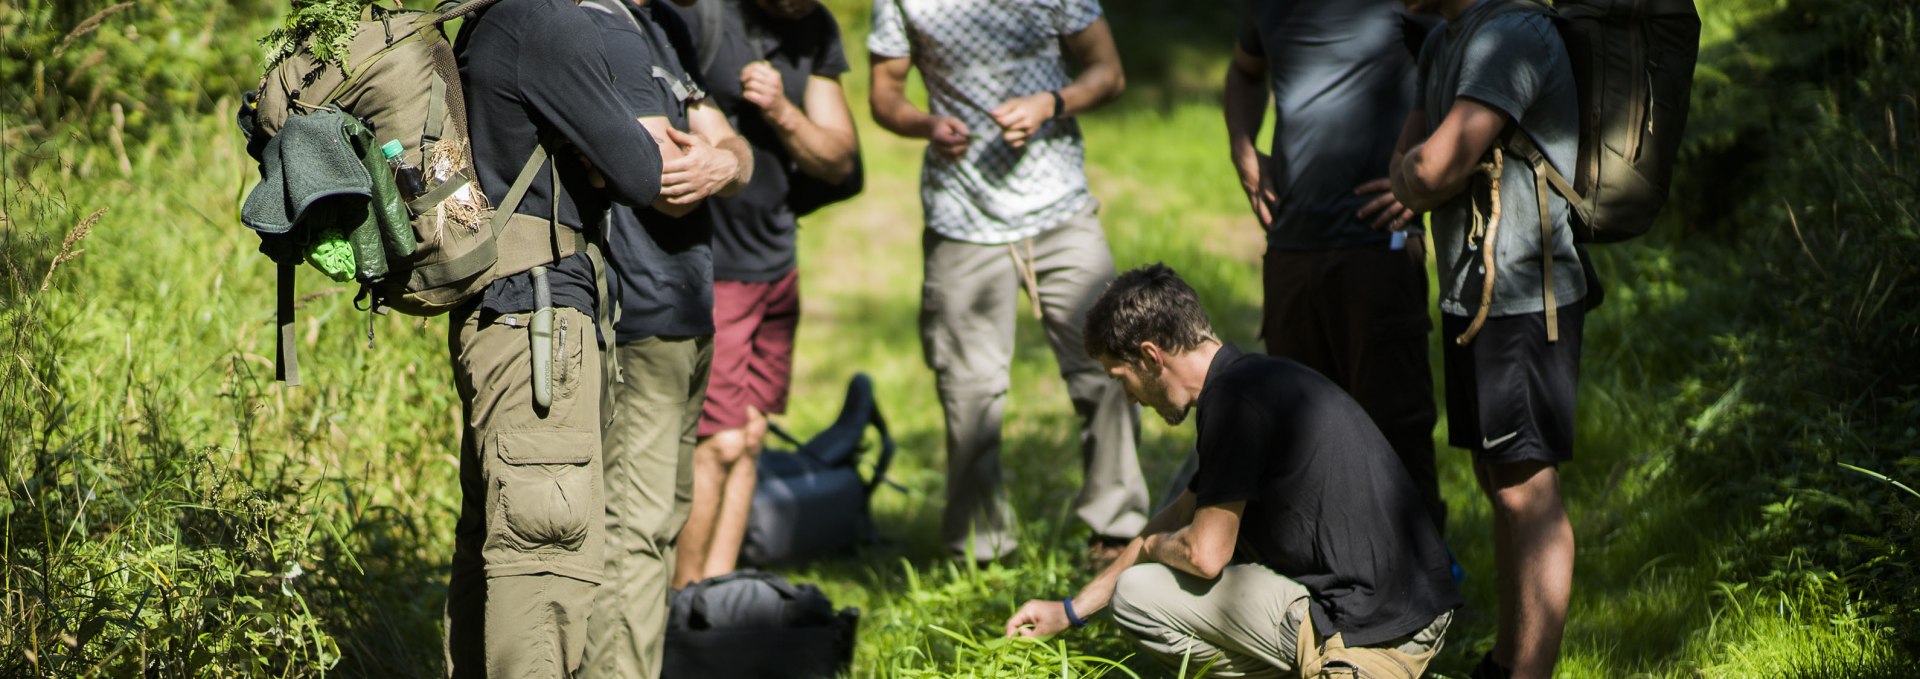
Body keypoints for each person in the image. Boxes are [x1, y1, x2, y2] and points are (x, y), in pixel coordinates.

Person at [1004, 264, 1460, 678]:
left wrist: (1156, 547)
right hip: (1414, 607)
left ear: (1150, 357)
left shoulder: (1232, 403)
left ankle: (1347, 669)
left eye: (1120, 377)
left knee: (1139, 594)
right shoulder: (1251, 382)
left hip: (1370, 627)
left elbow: (1204, 553)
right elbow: (1181, 512)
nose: (1128, 398)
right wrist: (1070, 610)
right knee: (1144, 577)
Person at [868, 0, 1146, 564]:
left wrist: (1052, 102)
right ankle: (981, 551)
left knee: (1110, 369)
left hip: (1060, 209)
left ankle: (1114, 535)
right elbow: (884, 95)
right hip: (962, 218)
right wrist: (926, 124)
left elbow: (1108, 73)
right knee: (968, 390)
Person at [446, 0, 666, 674]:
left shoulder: (486, 20)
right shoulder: (549, 24)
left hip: (497, 313)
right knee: (542, 562)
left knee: (496, 548)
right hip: (542, 326)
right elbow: (641, 170)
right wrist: (601, 145)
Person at [1389, 0, 1586, 676]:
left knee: (1524, 487)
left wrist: (1415, 173)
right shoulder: (1446, 40)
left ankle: (1527, 671)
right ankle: (1507, 659)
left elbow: (1426, 172)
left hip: (1527, 298)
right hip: (1474, 295)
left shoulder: (1510, 34)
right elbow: (1413, 170)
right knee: (1494, 477)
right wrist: (1414, 173)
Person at [575, 0, 754, 677]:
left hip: (686, 309)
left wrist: (724, 161)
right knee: (631, 534)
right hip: (636, 318)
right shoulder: (594, 24)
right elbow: (665, 179)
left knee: (662, 524)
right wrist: (716, 161)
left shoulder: (666, 27)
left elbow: (737, 154)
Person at [1224, 0, 1446, 533]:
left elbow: (1466, 71)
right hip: (1291, 247)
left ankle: (1429, 581)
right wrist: (1242, 150)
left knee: (1394, 424)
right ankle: (1332, 581)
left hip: (1376, 245)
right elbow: (1244, 71)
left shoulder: (1410, 5)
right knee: (1298, 428)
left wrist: (1427, 178)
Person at [666, 0, 861, 589]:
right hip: (712, 265)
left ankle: (715, 606)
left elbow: (841, 159)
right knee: (717, 443)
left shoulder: (816, 29)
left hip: (776, 261)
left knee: (748, 438)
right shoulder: (698, 16)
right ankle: (681, 607)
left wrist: (782, 110)